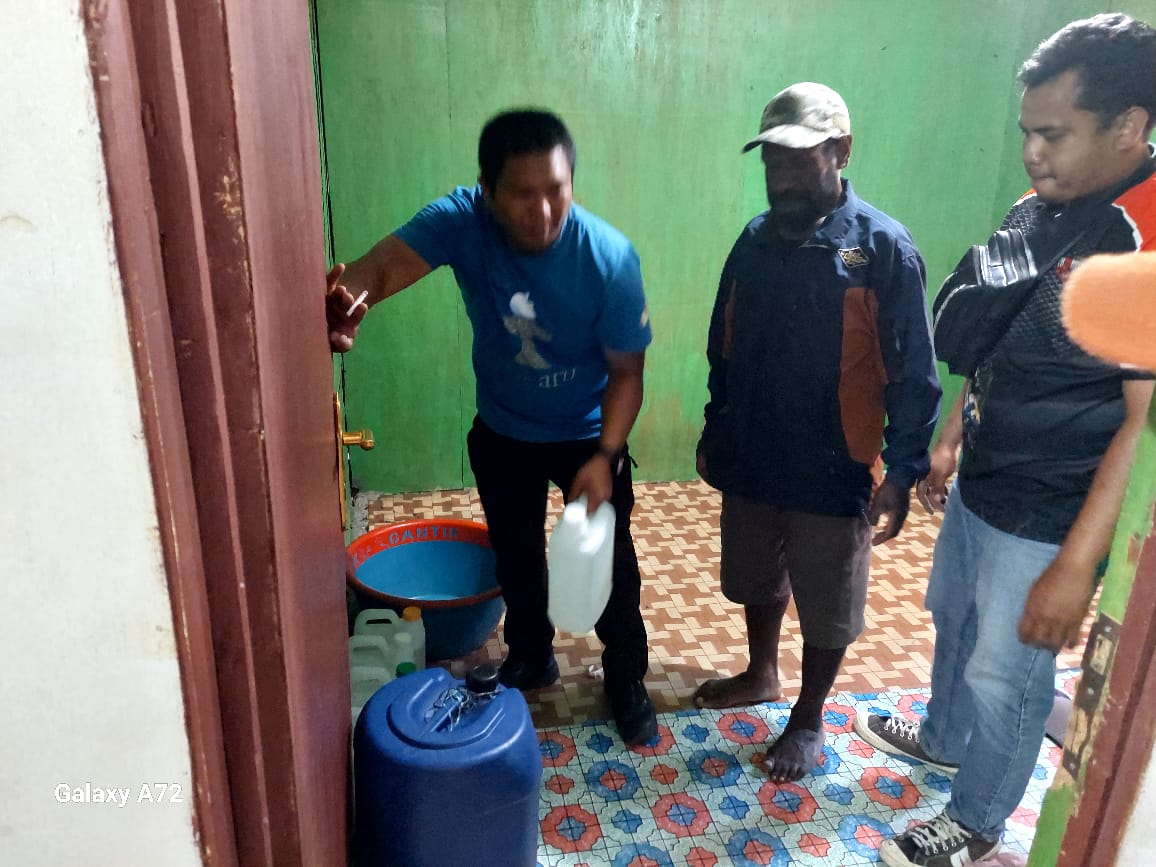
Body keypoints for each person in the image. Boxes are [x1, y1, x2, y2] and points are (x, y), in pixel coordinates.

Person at [853, 14, 1156, 867]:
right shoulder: (1043, 207)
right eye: (1026, 131)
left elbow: (1143, 423)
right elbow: (999, 332)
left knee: (1007, 672)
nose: (1032, 152)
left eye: (1053, 134)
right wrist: (954, 433)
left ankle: (980, 820)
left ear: (1129, 126)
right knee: (952, 616)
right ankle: (945, 736)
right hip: (986, 475)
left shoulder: (1140, 237)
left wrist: (1074, 565)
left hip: (1052, 509)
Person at [326, 109, 658, 745]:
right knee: (515, 553)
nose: (542, 211)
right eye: (522, 193)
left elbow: (627, 373)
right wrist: (349, 305)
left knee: (612, 562)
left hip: (588, 433)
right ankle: (531, 653)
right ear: (486, 189)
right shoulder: (461, 220)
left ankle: (626, 677)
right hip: (505, 430)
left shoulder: (608, 258)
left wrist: (606, 455)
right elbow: (382, 268)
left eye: (556, 190)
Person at [694, 82, 942, 782]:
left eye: (799, 159)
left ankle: (808, 716)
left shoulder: (881, 248)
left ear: (841, 152)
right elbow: (723, 345)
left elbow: (912, 372)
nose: (782, 176)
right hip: (752, 455)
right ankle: (761, 672)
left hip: (836, 466)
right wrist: (716, 427)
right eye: (772, 160)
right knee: (755, 575)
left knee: (829, 601)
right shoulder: (754, 241)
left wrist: (902, 469)